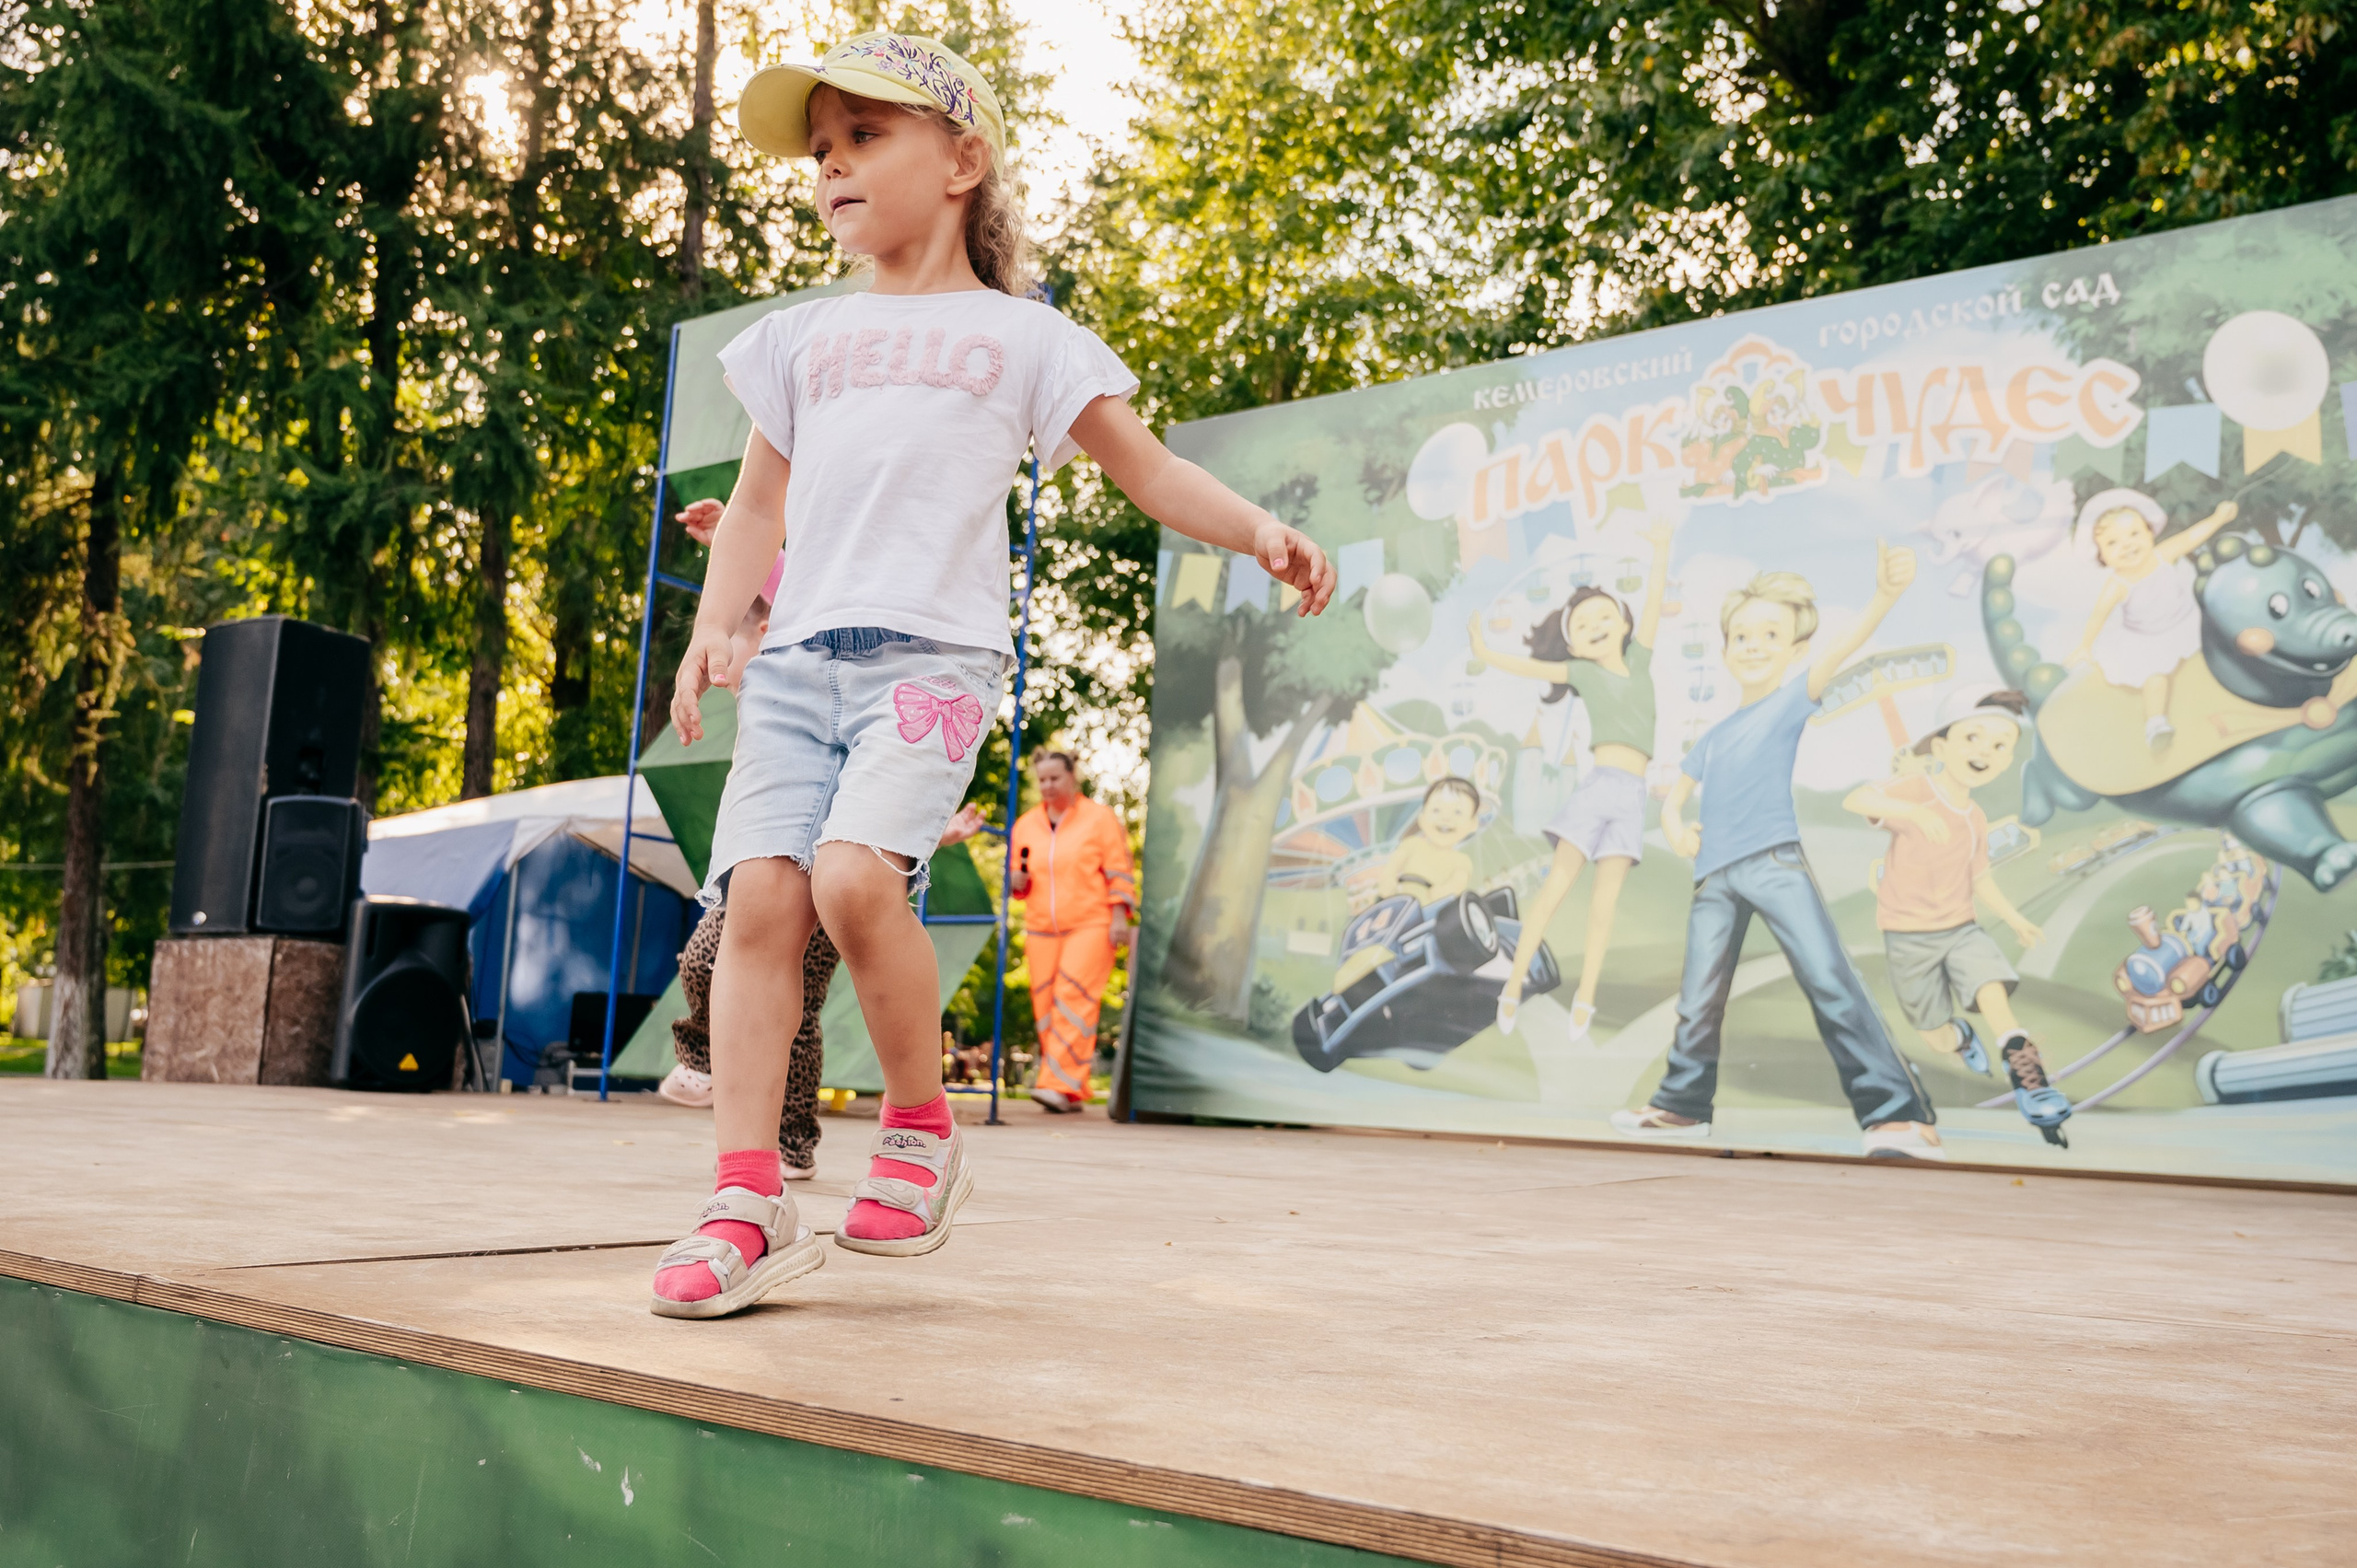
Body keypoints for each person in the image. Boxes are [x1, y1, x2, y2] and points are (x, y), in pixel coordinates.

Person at [649, 32, 1334, 1319]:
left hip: (930, 663)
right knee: (757, 904)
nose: (834, 168)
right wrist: (715, 626)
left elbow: (1149, 469)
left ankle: (919, 1123)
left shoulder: (1026, 338)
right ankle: (746, 1195)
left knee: (854, 879)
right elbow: (753, 506)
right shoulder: (798, 340)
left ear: (963, 159)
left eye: (867, 138)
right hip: (796, 666)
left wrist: (1257, 530)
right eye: (822, 151)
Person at [1613, 545, 1947, 1160]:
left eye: (1770, 633)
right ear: (1724, 648)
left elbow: (1844, 649)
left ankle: (1898, 1113)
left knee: (1828, 977)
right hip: (1714, 874)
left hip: (1773, 860)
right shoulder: (1713, 735)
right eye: (1741, 634)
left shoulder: (1791, 698)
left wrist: (1884, 595)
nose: (1753, 644)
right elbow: (1675, 795)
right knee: (1698, 995)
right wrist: (1676, 822)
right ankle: (1683, 1107)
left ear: (1794, 651)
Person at [662, 802, 989, 1177]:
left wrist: (935, 833)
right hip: (774, 853)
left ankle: (794, 1145)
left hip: (829, 874)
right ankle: (702, 1058)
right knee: (701, 961)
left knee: (800, 1009)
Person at [1469, 520, 1675, 1041]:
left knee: (1604, 908)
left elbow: (1653, 599)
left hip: (1631, 798)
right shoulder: (1583, 674)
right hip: (1598, 787)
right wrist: (1485, 652)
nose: (1597, 624)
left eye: (1605, 614)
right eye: (1584, 624)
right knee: (1553, 893)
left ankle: (1585, 999)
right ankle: (1511, 987)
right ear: (1575, 646)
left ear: (1624, 624)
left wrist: (1662, 546)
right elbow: (1529, 669)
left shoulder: (1642, 659)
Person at [1841, 686, 2073, 1141]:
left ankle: (2022, 1063)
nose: (1985, 751)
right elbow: (1857, 800)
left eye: (1999, 745)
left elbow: (1980, 878)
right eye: (1973, 738)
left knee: (1990, 985)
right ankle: (1962, 1039)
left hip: (1960, 928)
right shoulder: (1917, 789)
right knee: (1934, 1034)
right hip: (1908, 937)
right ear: (1941, 745)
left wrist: (2012, 918)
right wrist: (1909, 810)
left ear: (2007, 760)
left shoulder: (1975, 817)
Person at [1007, 750, 1136, 1113]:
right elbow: (1021, 881)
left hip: (1092, 923)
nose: (1047, 786)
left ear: (1071, 777)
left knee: (1072, 998)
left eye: (1055, 779)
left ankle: (1056, 1084)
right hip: (1041, 927)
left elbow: (1119, 870)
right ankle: (1072, 1088)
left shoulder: (1099, 819)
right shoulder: (1026, 825)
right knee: (1047, 1007)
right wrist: (1017, 882)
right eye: (1042, 780)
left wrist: (1119, 917)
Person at [2063, 491, 2237, 752]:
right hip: (2148, 638)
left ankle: (2231, 701)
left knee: (2209, 660)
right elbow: (2099, 614)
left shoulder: (2163, 554)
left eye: (2134, 533)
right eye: (2112, 543)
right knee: (2155, 677)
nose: (2127, 545)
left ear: (2149, 533)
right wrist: (2085, 645)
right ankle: (2156, 724)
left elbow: (2192, 536)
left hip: (2186, 622)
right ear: (2101, 556)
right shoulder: (2118, 584)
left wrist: (2218, 519)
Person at [1330, 776, 1483, 995]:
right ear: (1422, 817)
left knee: (1411, 944)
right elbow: (1393, 866)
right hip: (1397, 902)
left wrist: (1442, 892)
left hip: (1427, 913)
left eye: (1457, 813)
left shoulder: (1461, 861)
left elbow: (1457, 882)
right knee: (1370, 932)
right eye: (1437, 811)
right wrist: (1389, 881)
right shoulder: (1412, 845)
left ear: (1472, 823)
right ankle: (1351, 970)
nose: (1446, 819)